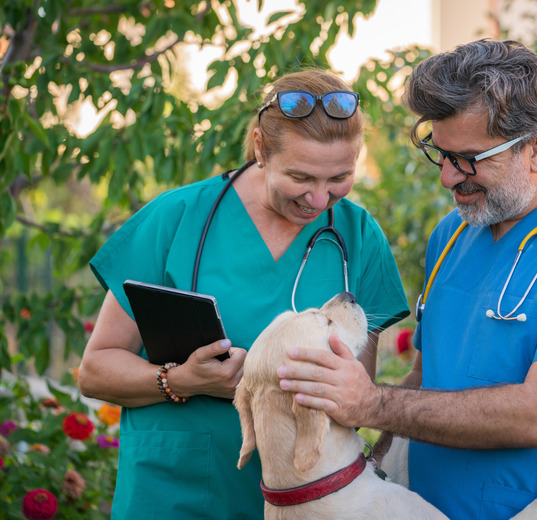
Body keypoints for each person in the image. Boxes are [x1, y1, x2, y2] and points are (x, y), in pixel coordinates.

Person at [276, 40, 537, 519]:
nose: (448, 178)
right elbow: (426, 378)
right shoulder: (454, 232)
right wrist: (373, 470)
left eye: (468, 158)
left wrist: (371, 404)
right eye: (441, 154)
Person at [77, 69, 410, 519]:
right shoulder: (176, 219)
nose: (318, 199)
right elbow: (95, 371)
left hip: (306, 504)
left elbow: (353, 399)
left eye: (339, 177)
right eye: (300, 176)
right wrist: (181, 381)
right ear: (259, 147)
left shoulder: (360, 238)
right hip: (174, 494)